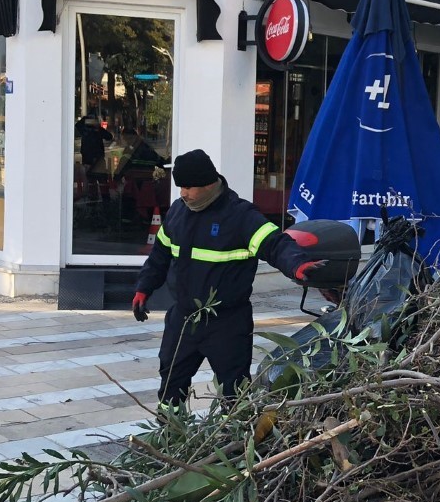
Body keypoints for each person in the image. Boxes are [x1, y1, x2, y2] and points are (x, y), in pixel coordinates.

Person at [131, 149, 323, 411]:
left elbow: (275, 244)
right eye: (180, 187)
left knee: (234, 393)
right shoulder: (178, 212)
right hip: (184, 319)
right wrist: (143, 288)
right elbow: (160, 256)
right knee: (170, 386)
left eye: (188, 187)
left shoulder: (240, 216)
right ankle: (170, 433)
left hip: (227, 323)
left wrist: (298, 265)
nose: (183, 193)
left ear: (209, 183)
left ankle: (234, 442)